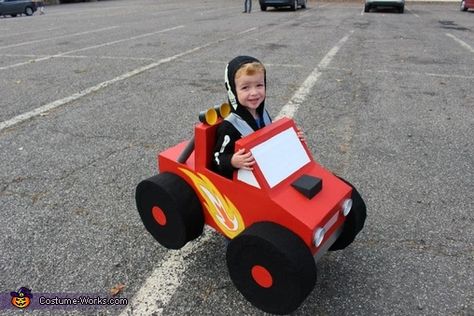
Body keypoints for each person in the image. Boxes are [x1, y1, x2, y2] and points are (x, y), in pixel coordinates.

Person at [212, 56, 305, 179]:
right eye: (245, 87)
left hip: (266, 175)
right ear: (233, 91)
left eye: (259, 85)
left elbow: (270, 141)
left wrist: (291, 139)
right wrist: (232, 161)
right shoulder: (229, 126)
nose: (254, 92)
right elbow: (216, 159)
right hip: (244, 184)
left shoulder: (263, 114)